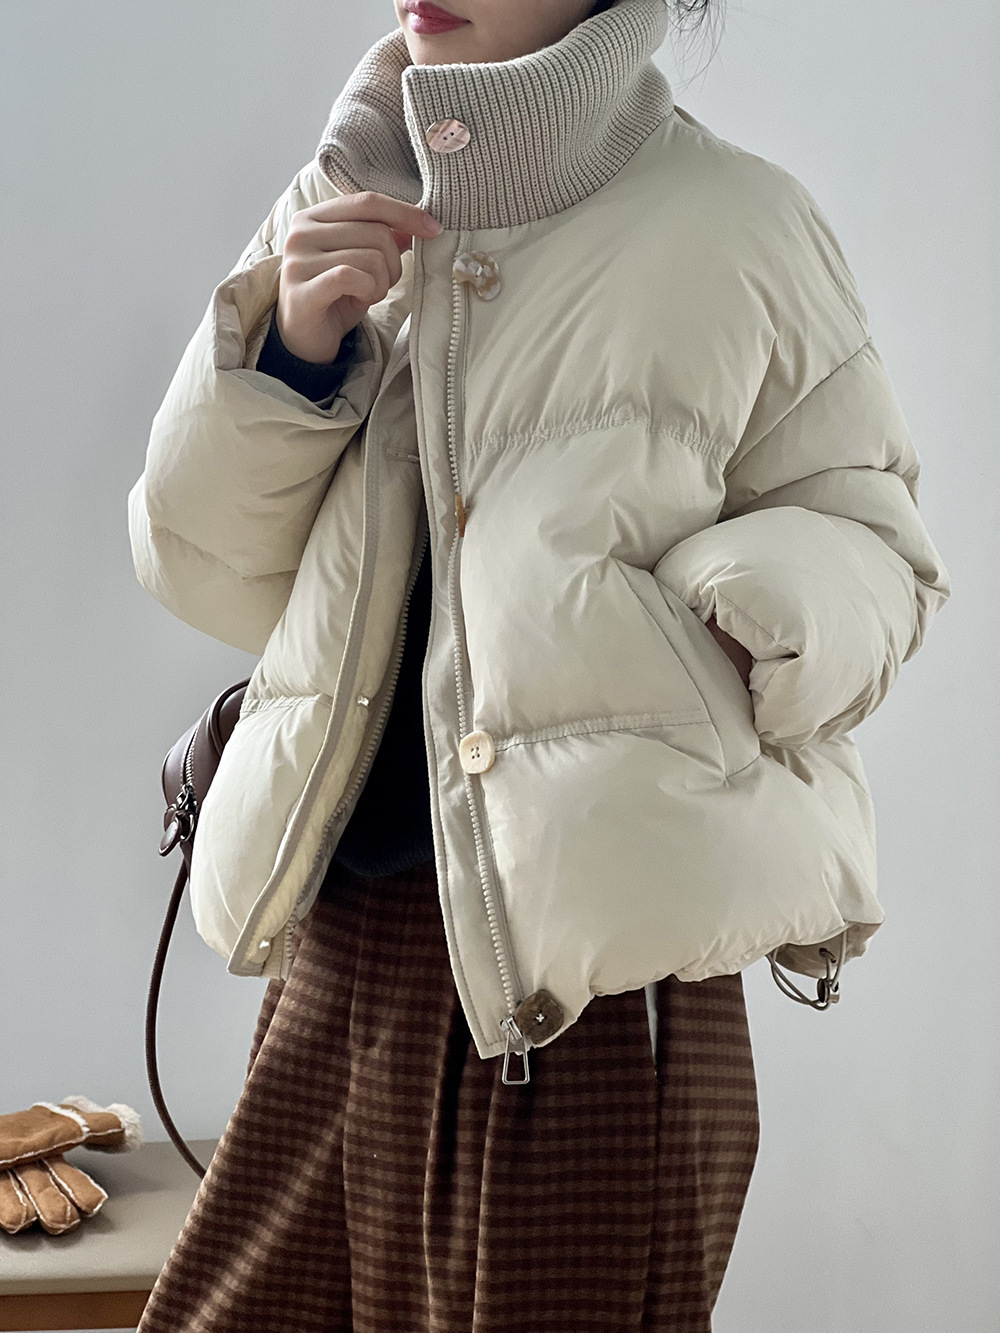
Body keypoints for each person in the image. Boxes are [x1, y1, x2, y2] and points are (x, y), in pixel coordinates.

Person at [127, 0, 951, 1328]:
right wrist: (291, 357)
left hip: (588, 991)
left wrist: (757, 608)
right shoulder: (343, 195)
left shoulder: (740, 224)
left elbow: (880, 552)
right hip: (340, 944)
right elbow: (205, 560)